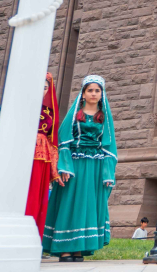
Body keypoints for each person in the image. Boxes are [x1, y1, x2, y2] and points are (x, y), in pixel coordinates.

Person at [42, 75, 118, 262]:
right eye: (90, 90)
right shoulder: (75, 114)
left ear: (102, 94)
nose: (93, 93)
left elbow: (109, 145)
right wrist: (65, 166)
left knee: (88, 205)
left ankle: (79, 249)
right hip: (75, 163)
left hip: (95, 165)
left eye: (97, 90)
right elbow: (64, 139)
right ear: (83, 93)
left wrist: (108, 173)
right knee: (70, 203)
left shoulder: (104, 117)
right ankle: (65, 249)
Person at [26, 73, 60, 239]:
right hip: (25, 152)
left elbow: (52, 138)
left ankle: (35, 237)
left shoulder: (49, 110)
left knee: (39, 196)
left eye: (45, 87)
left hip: (43, 155)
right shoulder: (25, 106)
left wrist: (55, 167)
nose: (43, 90)